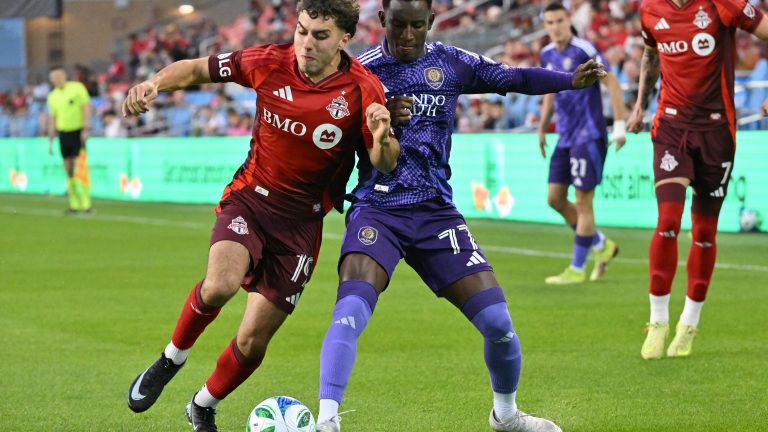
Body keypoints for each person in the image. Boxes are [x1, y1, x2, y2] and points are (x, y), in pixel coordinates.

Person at [314, 1, 606, 431]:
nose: (408, 34)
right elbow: (329, 129)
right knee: (350, 312)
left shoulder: (451, 63)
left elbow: (512, 77)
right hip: (379, 209)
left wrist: (568, 81)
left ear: (431, 22)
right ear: (383, 22)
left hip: (436, 212)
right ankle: (326, 420)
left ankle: (506, 416)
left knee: (499, 325)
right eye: (399, 25)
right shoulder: (361, 71)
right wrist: (372, 118)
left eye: (417, 25)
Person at [123, 1, 400, 431]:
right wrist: (154, 82)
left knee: (253, 341)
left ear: (345, 39)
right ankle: (170, 358)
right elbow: (197, 69)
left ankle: (202, 404)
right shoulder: (268, 61)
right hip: (251, 199)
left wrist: (382, 137)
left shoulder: (363, 89)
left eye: (320, 36)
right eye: (302, 31)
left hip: (302, 223)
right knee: (219, 285)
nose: (306, 43)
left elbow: (384, 163)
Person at [627, 0, 768, 360]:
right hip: (671, 126)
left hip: (717, 132)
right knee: (669, 221)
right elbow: (650, 53)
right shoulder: (650, 10)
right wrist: (640, 105)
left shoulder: (723, 5)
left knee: (704, 232)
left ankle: (689, 323)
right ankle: (657, 321)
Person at [536, 1, 625, 285]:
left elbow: (611, 82)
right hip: (564, 136)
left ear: (568, 20)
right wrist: (541, 127)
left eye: (559, 21)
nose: (555, 27)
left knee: (584, 202)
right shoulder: (546, 53)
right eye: (550, 23)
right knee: (555, 199)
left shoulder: (584, 49)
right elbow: (550, 89)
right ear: (545, 25)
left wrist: (620, 125)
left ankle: (576, 268)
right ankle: (602, 245)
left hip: (589, 135)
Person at [47, 66, 92, 213]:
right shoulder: (52, 96)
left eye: (58, 76)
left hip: (77, 131)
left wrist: (85, 128)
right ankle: (74, 203)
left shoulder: (77, 88)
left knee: (81, 167)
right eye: (53, 78)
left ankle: (86, 203)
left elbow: (86, 106)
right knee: (68, 169)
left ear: (63, 76)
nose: (56, 80)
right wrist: (51, 138)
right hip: (63, 134)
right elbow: (53, 117)